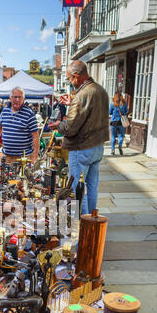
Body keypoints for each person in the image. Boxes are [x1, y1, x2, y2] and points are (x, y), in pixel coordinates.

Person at [49, 60, 109, 215]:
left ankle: (80, 225)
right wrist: (72, 104)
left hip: (82, 148)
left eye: (69, 79)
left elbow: (71, 128)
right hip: (97, 147)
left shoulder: (81, 94)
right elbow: (90, 113)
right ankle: (92, 220)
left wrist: (58, 125)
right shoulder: (99, 90)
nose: (70, 82)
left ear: (76, 77)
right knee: (92, 186)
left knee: (76, 190)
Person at [0, 87, 39, 163]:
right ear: (10, 98)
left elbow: (35, 136)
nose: (17, 100)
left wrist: (35, 156)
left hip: (24, 158)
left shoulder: (29, 113)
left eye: (20, 97)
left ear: (23, 99)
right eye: (15, 97)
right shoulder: (5, 111)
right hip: (6, 156)